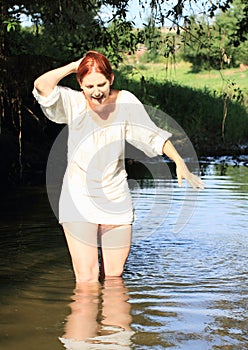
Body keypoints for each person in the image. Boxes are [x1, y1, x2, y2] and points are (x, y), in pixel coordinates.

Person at [33, 50, 204, 285]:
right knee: (87, 279)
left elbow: (151, 135)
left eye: (101, 84)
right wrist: (74, 65)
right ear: (80, 83)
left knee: (114, 278)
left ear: (111, 78)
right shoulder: (73, 103)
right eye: (89, 85)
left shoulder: (125, 101)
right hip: (78, 197)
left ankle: (114, 323)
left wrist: (179, 161)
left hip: (116, 196)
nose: (96, 91)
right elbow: (42, 85)